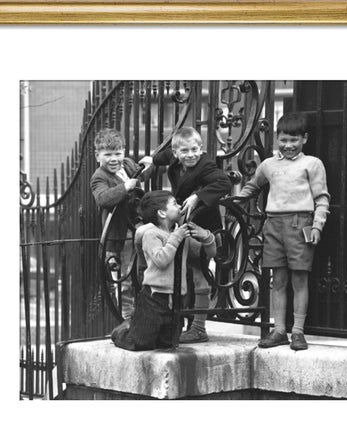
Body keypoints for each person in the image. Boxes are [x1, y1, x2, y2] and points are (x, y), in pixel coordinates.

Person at [235, 112, 330, 350]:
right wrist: (235, 201)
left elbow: (322, 198)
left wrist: (317, 225)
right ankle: (279, 330)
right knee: (277, 280)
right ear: (277, 138)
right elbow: (252, 186)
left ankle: (297, 331)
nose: (288, 145)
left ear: (304, 139)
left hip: (300, 225)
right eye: (284, 140)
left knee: (299, 279)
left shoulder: (312, 164)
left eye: (294, 140)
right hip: (273, 225)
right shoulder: (268, 165)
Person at [153, 127, 231, 343]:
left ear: (201, 148)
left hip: (204, 227)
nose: (190, 155)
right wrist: (151, 160)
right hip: (184, 224)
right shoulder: (175, 158)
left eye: (195, 149)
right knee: (184, 274)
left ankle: (199, 327)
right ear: (176, 152)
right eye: (185, 151)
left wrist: (198, 196)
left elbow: (224, 182)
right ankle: (180, 323)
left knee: (199, 275)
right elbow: (163, 156)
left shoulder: (205, 165)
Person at [112, 190, 217, 351]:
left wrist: (206, 237)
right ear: (162, 213)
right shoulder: (151, 234)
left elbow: (208, 254)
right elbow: (161, 260)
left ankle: (138, 327)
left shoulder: (181, 235)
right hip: (154, 296)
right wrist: (176, 237)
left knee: (167, 342)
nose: (180, 206)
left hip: (177, 299)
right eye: (174, 204)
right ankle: (122, 331)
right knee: (140, 343)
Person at [90, 128, 153, 326]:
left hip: (139, 226)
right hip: (120, 234)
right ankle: (127, 319)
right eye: (107, 154)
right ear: (97, 155)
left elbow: (140, 179)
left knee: (143, 271)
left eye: (117, 153)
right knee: (125, 277)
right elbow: (103, 198)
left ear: (124, 151)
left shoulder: (127, 164)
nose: (113, 159)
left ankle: (145, 312)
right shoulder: (99, 177)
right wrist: (125, 187)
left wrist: (148, 167)